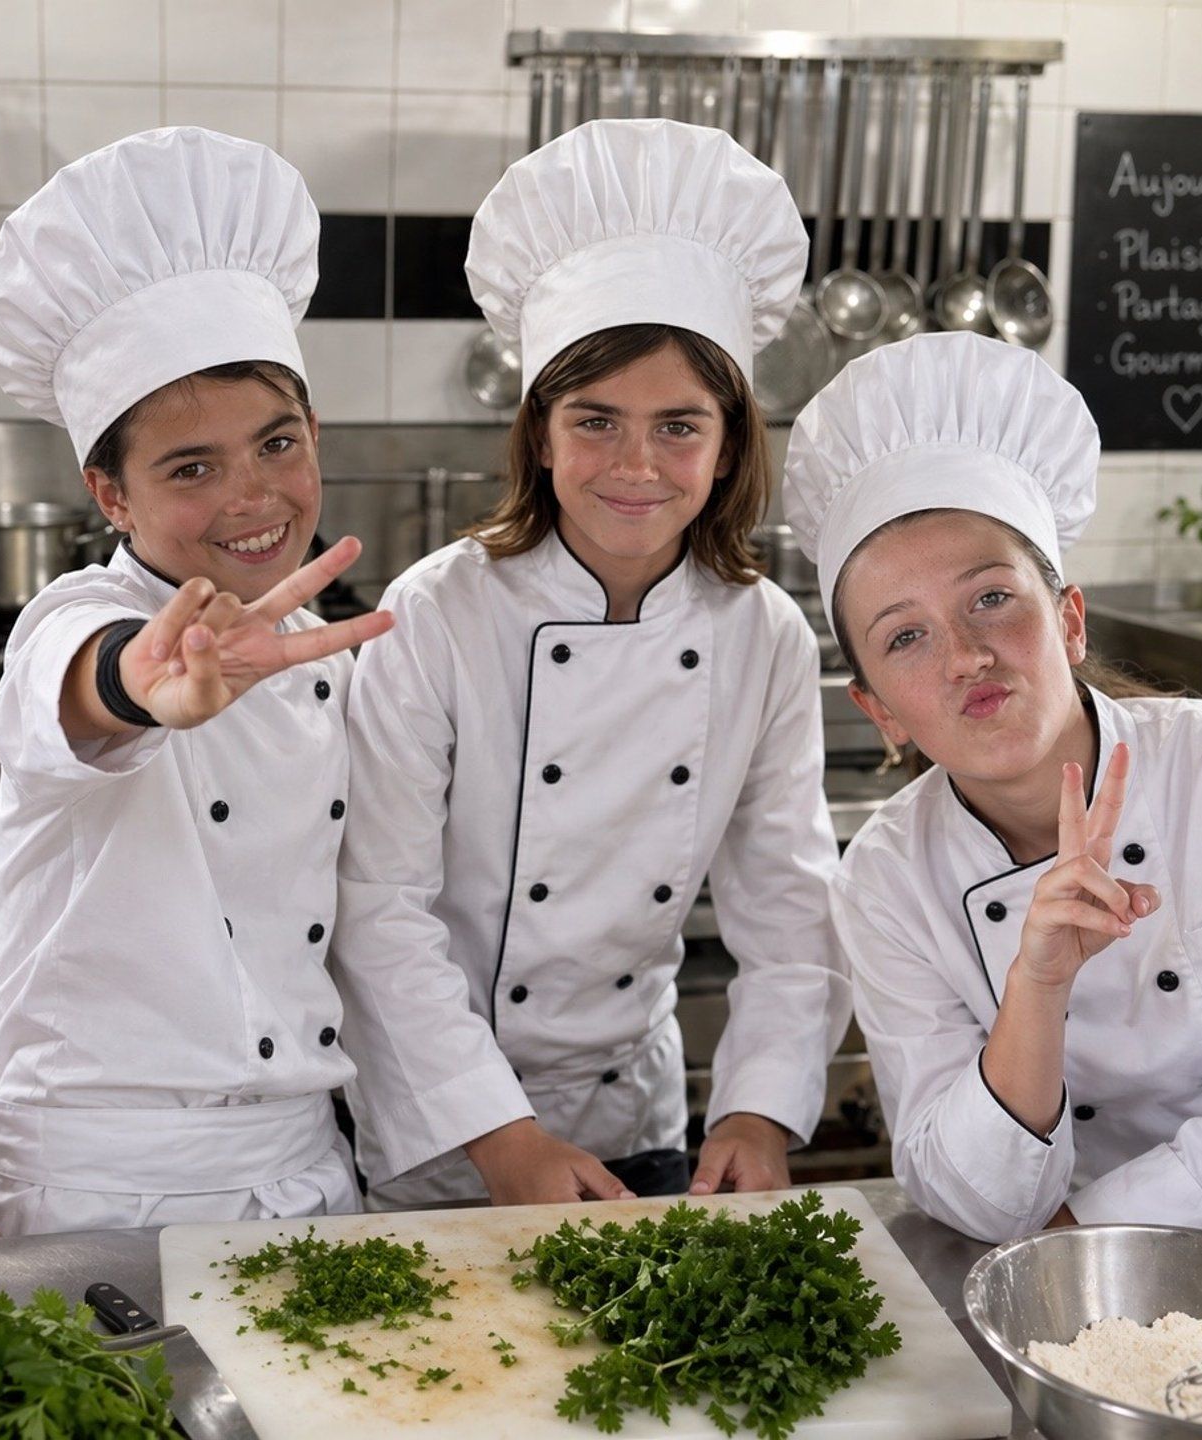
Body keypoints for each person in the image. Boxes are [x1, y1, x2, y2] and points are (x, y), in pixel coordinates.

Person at [331, 119, 851, 1209]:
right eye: (595, 421)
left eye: (679, 427)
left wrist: (756, 1108)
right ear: (538, 433)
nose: (636, 466)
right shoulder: (435, 615)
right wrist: (504, 1138)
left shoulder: (765, 637)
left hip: (633, 1116)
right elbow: (380, 908)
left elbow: (792, 910)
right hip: (443, 1126)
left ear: (730, 444)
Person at [782, 330, 1202, 1241]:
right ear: (879, 711)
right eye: (906, 637)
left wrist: (1090, 1230)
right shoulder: (888, 877)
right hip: (1057, 1278)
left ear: (1070, 619)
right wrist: (1039, 982)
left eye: (991, 598)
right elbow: (968, 1196)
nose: (968, 656)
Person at [0, 127, 393, 1234]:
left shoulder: (310, 646)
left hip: (302, 1175)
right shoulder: (77, 623)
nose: (254, 497)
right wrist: (140, 686)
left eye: (278, 443)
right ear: (110, 496)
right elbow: (89, 688)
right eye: (192, 468)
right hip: (96, 1190)